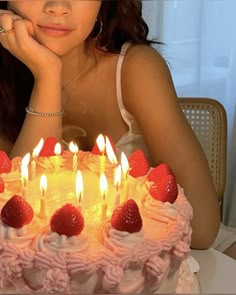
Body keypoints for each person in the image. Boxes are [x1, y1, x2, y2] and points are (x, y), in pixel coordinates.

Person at [0, 0, 220, 250]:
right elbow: (13, 226)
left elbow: (202, 229)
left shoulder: (137, 68)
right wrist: (48, 75)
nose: (58, 7)